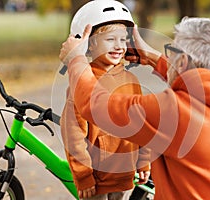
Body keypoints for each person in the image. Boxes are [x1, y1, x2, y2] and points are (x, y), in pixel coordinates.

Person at [59, 17, 210, 199]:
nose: (166, 57)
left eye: (170, 52)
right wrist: (151, 57)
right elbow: (199, 83)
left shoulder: (174, 112)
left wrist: (76, 60)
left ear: (182, 61)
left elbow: (95, 105)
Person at [60, 1, 150, 199]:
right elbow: (74, 135)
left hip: (124, 176)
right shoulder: (83, 80)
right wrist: (83, 175)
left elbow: (142, 125)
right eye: (110, 39)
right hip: (95, 179)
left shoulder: (131, 80)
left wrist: (144, 160)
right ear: (90, 43)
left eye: (123, 39)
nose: (119, 46)